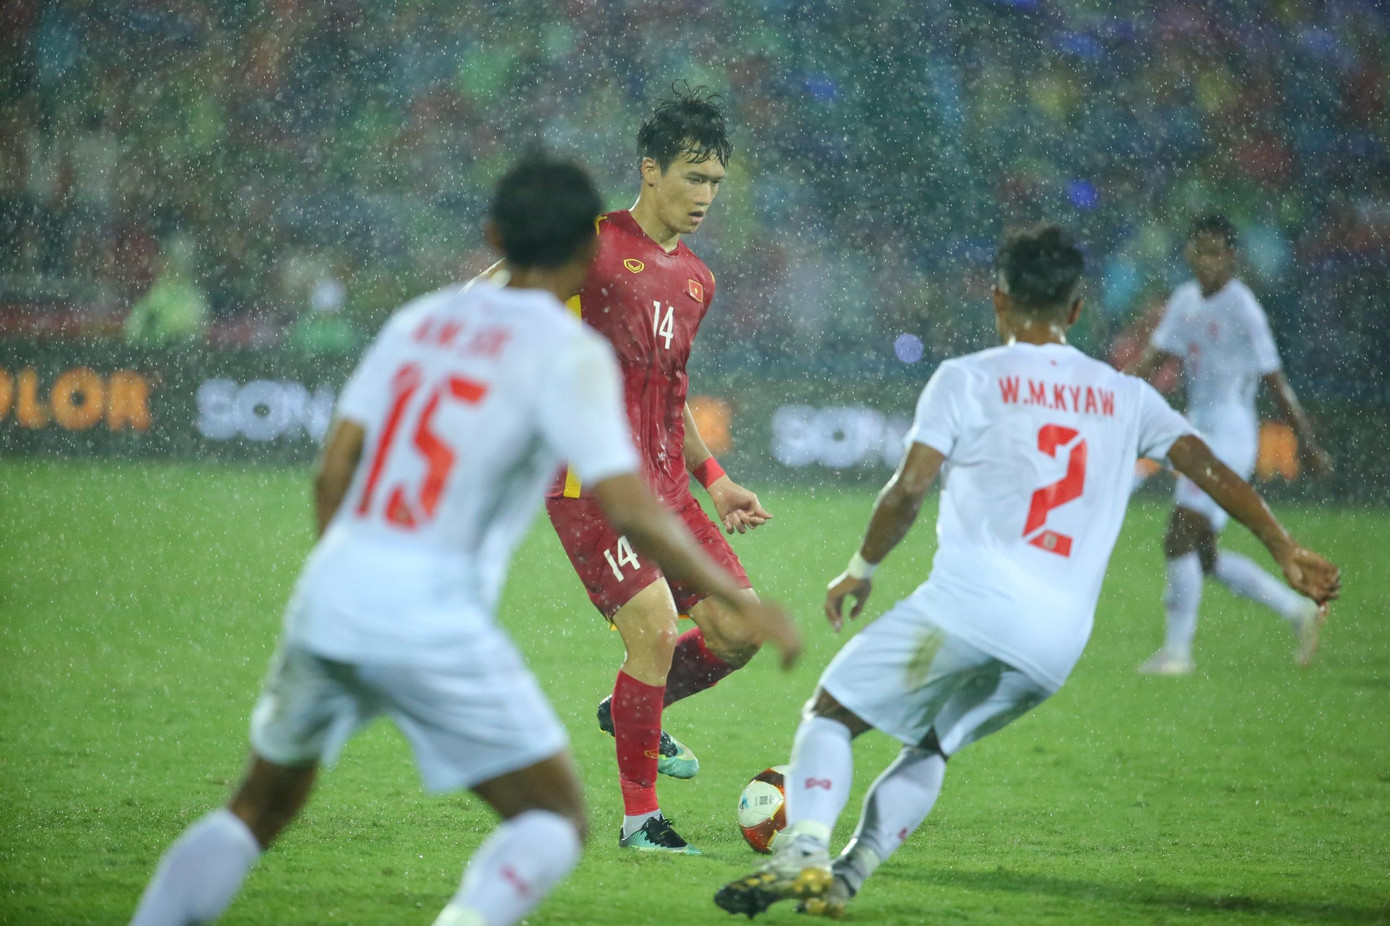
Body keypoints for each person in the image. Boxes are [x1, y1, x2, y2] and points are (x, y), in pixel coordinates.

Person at [129, 155, 801, 926]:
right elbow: (631, 507)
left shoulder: (420, 322)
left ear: (494, 235)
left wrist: (348, 580)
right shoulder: (567, 354)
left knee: (254, 810)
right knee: (552, 821)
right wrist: (732, 595)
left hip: (330, 595)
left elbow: (333, 473)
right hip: (432, 616)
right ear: (590, 254)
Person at [713, 225, 1340, 919]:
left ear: (998, 300)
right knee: (934, 743)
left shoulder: (967, 378)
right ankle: (849, 875)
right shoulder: (1125, 396)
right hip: (1056, 644)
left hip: (968, 608)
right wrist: (1283, 546)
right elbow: (1210, 467)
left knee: (830, 714)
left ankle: (804, 850)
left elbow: (908, 491)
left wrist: (861, 568)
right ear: (1076, 309)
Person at [541, 85, 773, 854]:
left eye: (715, 182)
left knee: (739, 629)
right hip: (595, 485)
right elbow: (494, 301)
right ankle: (642, 821)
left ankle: (631, 710)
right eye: (692, 177)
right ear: (650, 170)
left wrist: (717, 479)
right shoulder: (591, 245)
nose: (705, 195)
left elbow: (669, 393)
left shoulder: (697, 279)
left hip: (669, 488)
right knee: (655, 631)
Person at [1126, 214, 1333, 675]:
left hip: (1233, 435)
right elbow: (1154, 360)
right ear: (1188, 252)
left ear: (1231, 257)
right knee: (1203, 555)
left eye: (1215, 252)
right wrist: (1109, 393)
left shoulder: (1243, 308)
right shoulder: (1184, 300)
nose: (1206, 260)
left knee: (1180, 535)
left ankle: (1177, 654)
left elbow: (1276, 381)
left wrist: (1307, 443)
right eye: (1200, 250)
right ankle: (1296, 610)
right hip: (1198, 430)